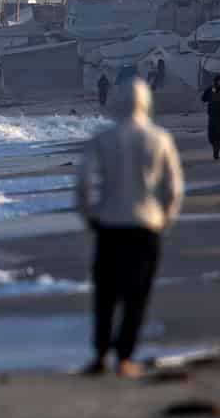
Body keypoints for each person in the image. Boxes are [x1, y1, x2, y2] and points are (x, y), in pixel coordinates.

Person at [75, 78, 184, 377]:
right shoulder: (160, 138)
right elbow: (173, 189)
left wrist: (90, 217)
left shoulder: (103, 137)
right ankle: (125, 357)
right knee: (137, 294)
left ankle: (99, 355)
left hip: (109, 225)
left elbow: (83, 184)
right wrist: (165, 220)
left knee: (105, 294)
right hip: (146, 225)